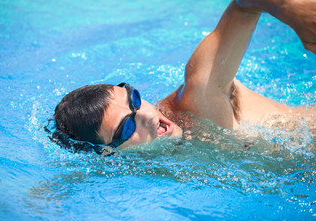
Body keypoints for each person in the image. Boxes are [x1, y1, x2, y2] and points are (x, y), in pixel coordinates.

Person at [51, 0, 316, 154]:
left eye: (134, 99)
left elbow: (243, 5)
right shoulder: (138, 163)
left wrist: (285, 6)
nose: (148, 115)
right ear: (107, 153)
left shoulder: (198, 98)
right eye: (127, 128)